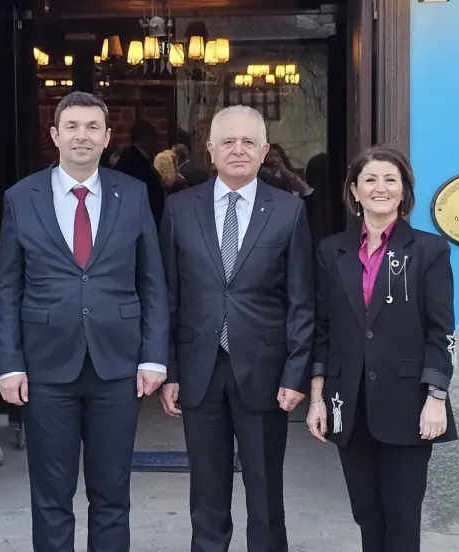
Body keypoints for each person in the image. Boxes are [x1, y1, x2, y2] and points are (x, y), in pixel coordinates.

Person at [0, 91, 169, 552]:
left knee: (112, 494)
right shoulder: (21, 197)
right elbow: (7, 288)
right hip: (46, 369)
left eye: (93, 127)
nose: (82, 136)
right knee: (51, 496)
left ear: (107, 137)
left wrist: (154, 357)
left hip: (118, 367)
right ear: (55, 135)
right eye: (72, 126)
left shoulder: (133, 193)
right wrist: (9, 365)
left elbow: (152, 281)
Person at [159, 105, 315, 552]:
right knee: (206, 493)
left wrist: (295, 374)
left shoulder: (288, 210)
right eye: (228, 141)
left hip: (266, 372)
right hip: (199, 370)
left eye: (249, 142)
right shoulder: (179, 208)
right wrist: (170, 371)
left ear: (265, 151)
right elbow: (167, 296)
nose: (238, 150)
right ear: (210, 150)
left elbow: (301, 301)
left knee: (265, 494)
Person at [305, 146, 458, 552]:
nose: (380, 188)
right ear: (354, 190)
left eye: (391, 180)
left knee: (402, 518)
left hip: (409, 404)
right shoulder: (331, 251)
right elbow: (322, 329)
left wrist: (436, 397)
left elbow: (441, 331)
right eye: (370, 179)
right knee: (367, 515)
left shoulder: (429, 251)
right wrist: (317, 399)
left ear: (404, 191)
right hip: (349, 404)